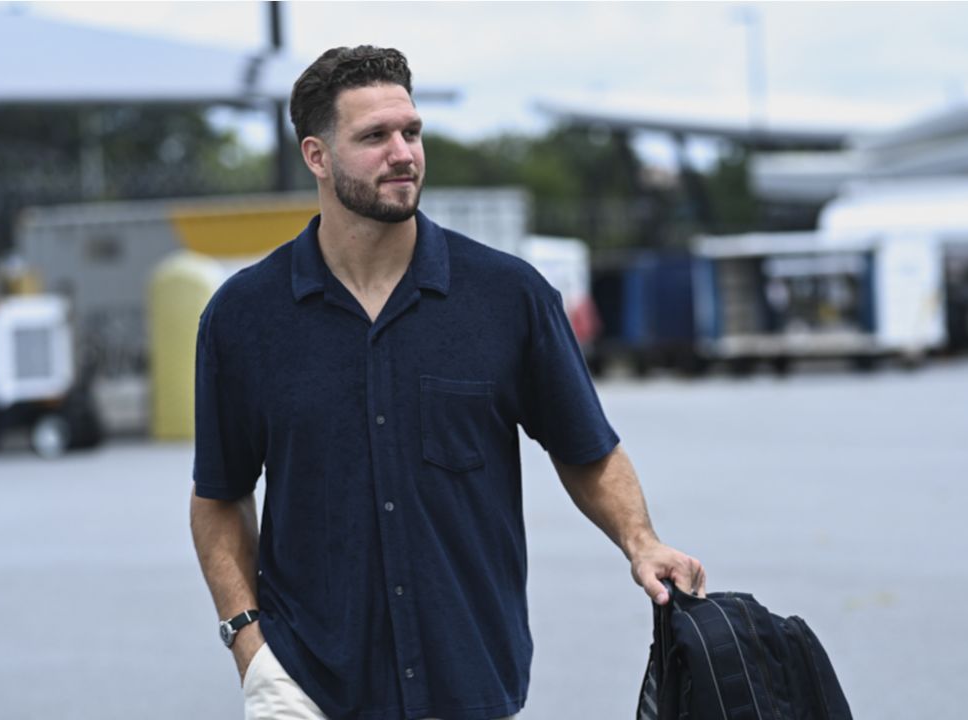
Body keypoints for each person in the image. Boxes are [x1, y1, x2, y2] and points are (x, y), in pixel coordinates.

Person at [189, 45, 705, 720]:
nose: (403, 153)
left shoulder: (508, 296)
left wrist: (643, 543)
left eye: (411, 131)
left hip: (471, 680)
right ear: (317, 156)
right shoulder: (243, 317)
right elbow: (219, 498)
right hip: (310, 686)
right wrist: (249, 647)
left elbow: (587, 448)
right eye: (374, 137)